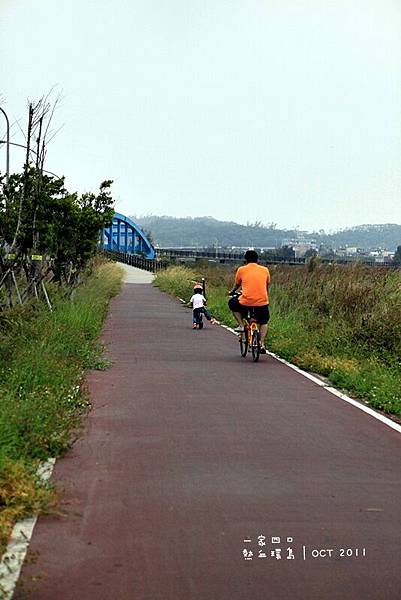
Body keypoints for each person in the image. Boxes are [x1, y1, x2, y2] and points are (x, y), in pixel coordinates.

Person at [228, 250, 271, 353]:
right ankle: (261, 343)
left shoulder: (241, 270)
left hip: (246, 301)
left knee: (232, 303)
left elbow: (237, 284)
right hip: (262, 301)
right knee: (264, 321)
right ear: (257, 259)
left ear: (246, 259)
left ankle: (241, 325)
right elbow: (266, 285)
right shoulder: (265, 270)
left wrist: (232, 291)